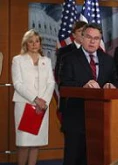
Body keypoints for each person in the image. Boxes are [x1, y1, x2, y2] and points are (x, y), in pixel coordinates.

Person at [59, 23, 118, 165]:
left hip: (100, 119)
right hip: (76, 118)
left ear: (100, 40)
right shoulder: (69, 58)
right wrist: (83, 87)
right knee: (74, 159)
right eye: (89, 37)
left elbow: (116, 81)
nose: (92, 41)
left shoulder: (108, 60)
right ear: (82, 37)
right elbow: (64, 86)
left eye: (96, 38)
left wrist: (111, 85)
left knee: (96, 159)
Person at [11, 29, 55, 165]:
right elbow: (17, 84)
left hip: (42, 106)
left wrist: (44, 102)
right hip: (24, 105)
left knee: (36, 143)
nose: (34, 44)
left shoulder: (46, 61)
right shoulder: (17, 60)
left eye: (37, 41)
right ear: (26, 44)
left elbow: (51, 82)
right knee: (24, 143)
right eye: (31, 41)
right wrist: (35, 99)